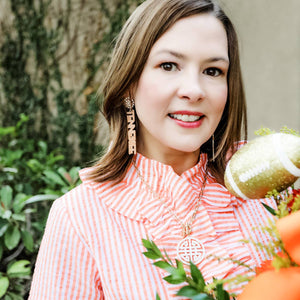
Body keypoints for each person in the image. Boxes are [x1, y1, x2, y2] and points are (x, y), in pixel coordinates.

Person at [29, 0, 276, 299]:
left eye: (212, 71)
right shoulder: (79, 217)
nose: (194, 90)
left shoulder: (264, 196)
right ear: (130, 81)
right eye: (168, 66)